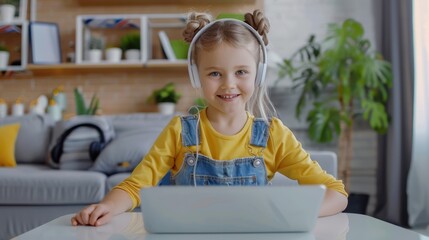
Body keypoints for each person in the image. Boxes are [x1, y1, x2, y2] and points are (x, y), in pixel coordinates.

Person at [71, 9, 348, 227]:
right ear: (196, 76)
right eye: (215, 73)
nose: (228, 85)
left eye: (241, 72)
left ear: (259, 74)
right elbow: (136, 185)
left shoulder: (274, 135)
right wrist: (106, 206)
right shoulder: (179, 131)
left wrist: (297, 216)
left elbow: (336, 192)